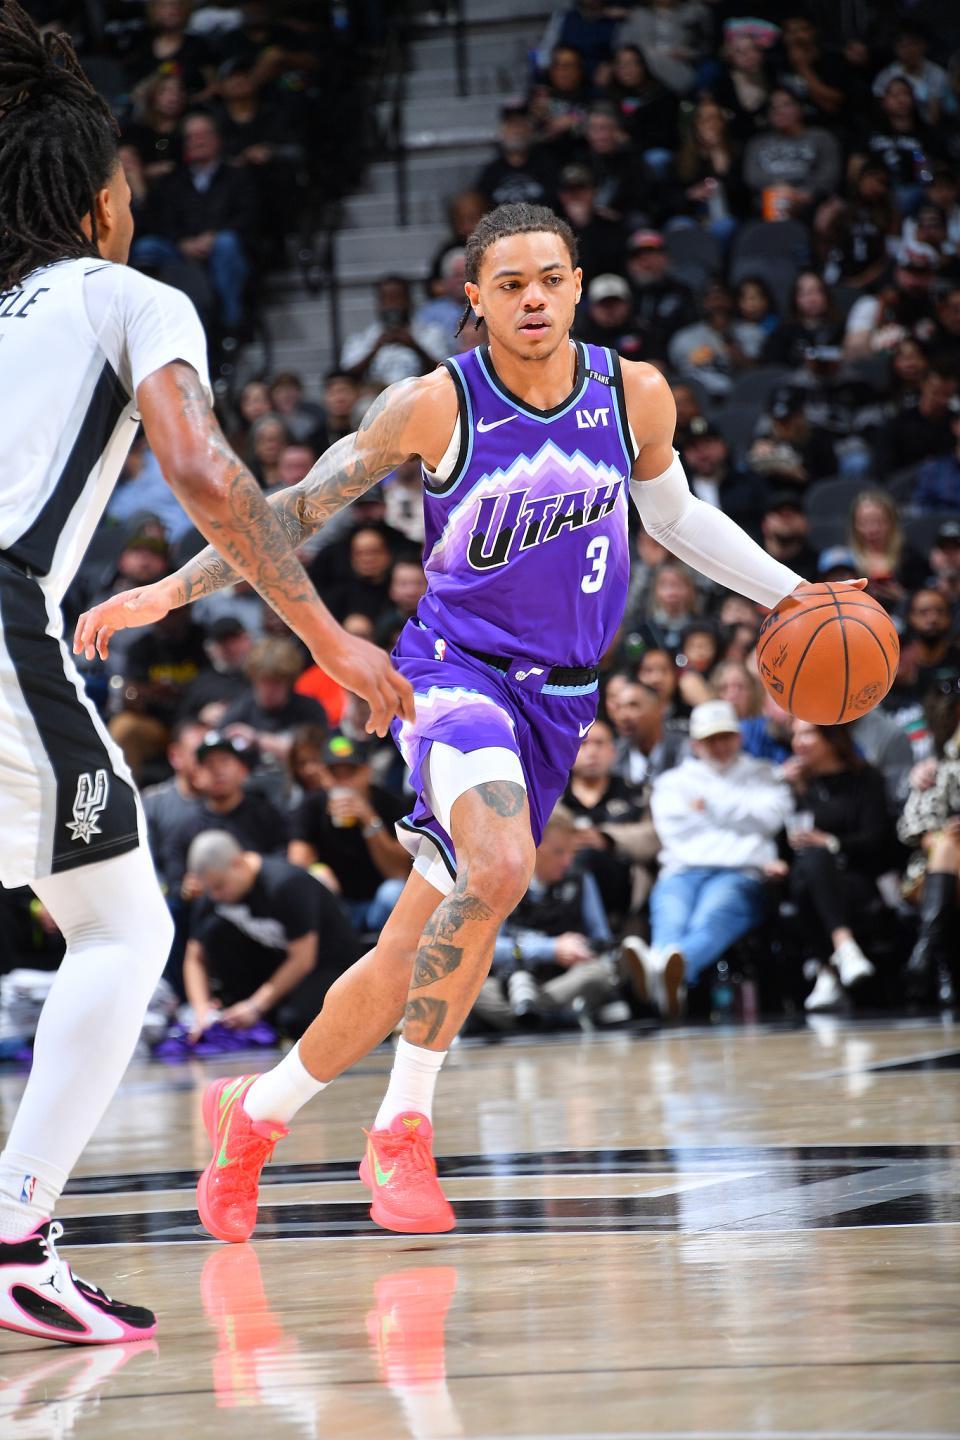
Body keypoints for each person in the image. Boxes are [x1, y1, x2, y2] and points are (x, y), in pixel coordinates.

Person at [82, 201, 818, 1245]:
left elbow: (677, 519)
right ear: (475, 297)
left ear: (577, 284)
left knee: (403, 959)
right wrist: (167, 592)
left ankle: (255, 1113)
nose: (533, 299)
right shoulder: (435, 404)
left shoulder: (635, 392)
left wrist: (792, 593)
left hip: (561, 701)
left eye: (550, 279)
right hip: (454, 673)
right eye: (509, 283)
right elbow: (293, 507)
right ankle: (402, 1127)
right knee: (503, 864)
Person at [0, 0, 409, 1346]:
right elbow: (206, 472)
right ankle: (13, 1241)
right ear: (97, 201)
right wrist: (328, 636)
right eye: (128, 185)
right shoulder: (132, 295)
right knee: (124, 928)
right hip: (4, 616)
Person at [637, 700, 792, 1017]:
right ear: (696, 744)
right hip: (681, 872)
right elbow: (675, 831)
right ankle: (668, 977)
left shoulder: (765, 774)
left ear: (739, 737)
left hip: (740, 873)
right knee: (671, 917)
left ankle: (657, 972)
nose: (720, 746)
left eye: (726, 737)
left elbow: (772, 819)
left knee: (711, 916)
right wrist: (741, 821)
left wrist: (707, 806)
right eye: (711, 740)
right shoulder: (671, 783)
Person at [183, 831, 362, 1044]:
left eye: (220, 886)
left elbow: (303, 959)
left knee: (295, 1020)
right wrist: (201, 1010)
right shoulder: (216, 891)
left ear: (238, 864)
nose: (215, 896)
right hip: (278, 957)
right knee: (214, 931)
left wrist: (255, 1006)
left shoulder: (285, 884)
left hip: (330, 963)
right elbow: (194, 956)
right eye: (209, 890)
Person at [783, 721, 894, 1011]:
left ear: (831, 737)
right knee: (810, 863)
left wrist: (831, 843)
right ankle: (844, 948)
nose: (798, 742)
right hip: (807, 876)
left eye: (807, 733)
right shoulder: (798, 786)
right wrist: (785, 787)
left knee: (814, 863)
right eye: (795, 735)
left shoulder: (865, 778)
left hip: (855, 876)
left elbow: (876, 839)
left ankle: (826, 970)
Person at [287, 732, 410, 931]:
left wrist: (369, 820)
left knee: (393, 891)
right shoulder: (312, 805)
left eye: (350, 773)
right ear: (323, 776)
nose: (343, 782)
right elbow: (297, 865)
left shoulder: (389, 803)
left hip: (378, 906)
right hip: (336, 907)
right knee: (314, 881)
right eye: (335, 774)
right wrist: (316, 869)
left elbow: (398, 872)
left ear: (367, 772)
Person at [562, 717, 658, 925]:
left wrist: (607, 838)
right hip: (560, 879)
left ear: (613, 751)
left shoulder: (637, 793)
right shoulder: (552, 797)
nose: (592, 751)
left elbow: (654, 836)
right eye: (584, 744)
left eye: (599, 743)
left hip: (622, 884)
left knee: (589, 857)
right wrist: (564, 842)